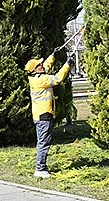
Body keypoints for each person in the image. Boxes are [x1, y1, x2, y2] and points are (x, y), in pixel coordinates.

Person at [25, 50, 72, 178]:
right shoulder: (41, 80)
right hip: (43, 116)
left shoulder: (36, 76)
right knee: (43, 143)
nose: (42, 65)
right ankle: (40, 169)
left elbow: (45, 66)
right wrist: (67, 64)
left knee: (43, 141)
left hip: (41, 115)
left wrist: (52, 55)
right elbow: (57, 79)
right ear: (35, 70)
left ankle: (41, 167)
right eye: (38, 65)